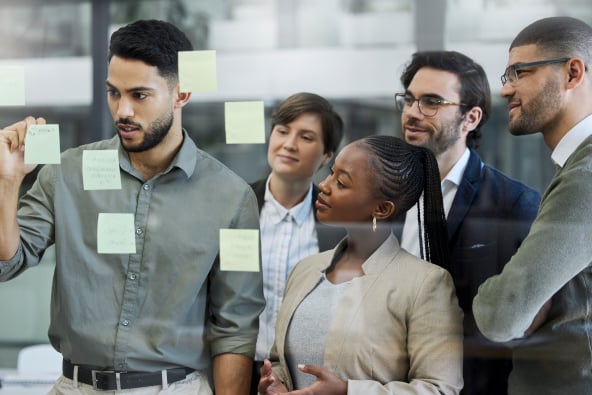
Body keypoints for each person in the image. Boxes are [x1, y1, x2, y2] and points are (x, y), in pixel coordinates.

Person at [0, 19, 264, 395]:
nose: (122, 110)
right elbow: (6, 262)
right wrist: (8, 182)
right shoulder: (68, 173)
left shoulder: (231, 198)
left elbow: (235, 327)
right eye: (113, 93)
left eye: (140, 95)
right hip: (75, 387)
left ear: (181, 93)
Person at [258, 135, 464, 394]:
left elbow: (440, 389)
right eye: (331, 174)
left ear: (382, 209)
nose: (323, 185)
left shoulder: (425, 284)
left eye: (341, 182)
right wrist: (274, 383)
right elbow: (281, 361)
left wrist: (347, 390)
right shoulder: (306, 269)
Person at [395, 50, 541, 394]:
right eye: (410, 99)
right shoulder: (385, 192)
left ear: (471, 118)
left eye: (431, 102)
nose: (413, 114)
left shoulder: (514, 204)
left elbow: (518, 322)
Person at [473, 16, 592, 394]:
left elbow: (502, 315)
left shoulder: (585, 175)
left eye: (519, 72)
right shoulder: (575, 167)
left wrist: (511, 298)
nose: (506, 90)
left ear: (573, 73)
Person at [249, 92, 345, 393]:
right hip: (238, 368)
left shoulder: (338, 223)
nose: (289, 144)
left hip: (309, 375)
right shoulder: (238, 207)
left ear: (327, 156)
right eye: (282, 131)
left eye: (306, 137)